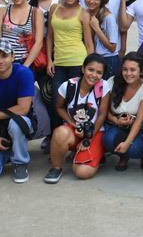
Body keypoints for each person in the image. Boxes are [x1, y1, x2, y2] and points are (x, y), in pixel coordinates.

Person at [44, 54, 111, 183]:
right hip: (74, 129)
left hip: (95, 131)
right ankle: (56, 168)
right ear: (83, 69)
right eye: (90, 70)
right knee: (60, 132)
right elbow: (59, 107)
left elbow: (102, 114)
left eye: (99, 72)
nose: (94, 75)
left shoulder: (103, 86)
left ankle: (96, 154)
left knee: (82, 172)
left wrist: (88, 138)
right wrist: (71, 123)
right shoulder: (68, 86)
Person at [0, 39, 35, 183]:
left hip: (21, 120)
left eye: (4, 55)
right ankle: (8, 152)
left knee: (15, 125)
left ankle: (20, 163)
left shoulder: (24, 73)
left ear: (12, 57)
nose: (0, 60)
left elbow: (23, 108)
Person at [46, 0, 94, 135]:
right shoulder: (54, 8)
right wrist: (49, 61)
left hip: (78, 63)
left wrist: (90, 67)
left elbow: (88, 43)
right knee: (56, 102)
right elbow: (50, 37)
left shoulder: (83, 13)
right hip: (58, 64)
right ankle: (56, 137)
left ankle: (76, 138)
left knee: (75, 104)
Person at [103, 52, 143, 171]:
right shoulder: (112, 81)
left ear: (140, 71)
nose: (128, 73)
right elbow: (104, 110)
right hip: (117, 125)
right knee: (108, 140)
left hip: (140, 127)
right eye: (125, 69)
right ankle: (123, 156)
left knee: (134, 149)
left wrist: (127, 143)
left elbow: (140, 119)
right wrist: (116, 120)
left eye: (132, 70)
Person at [0, 0, 44, 67]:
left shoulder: (36, 12)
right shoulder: (2, 11)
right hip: (5, 63)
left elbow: (38, 42)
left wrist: (25, 67)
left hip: (27, 62)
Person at [85, 0, 120, 79]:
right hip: (96, 59)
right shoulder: (87, 14)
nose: (91, 1)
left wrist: (97, 29)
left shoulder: (108, 17)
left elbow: (112, 47)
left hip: (109, 60)